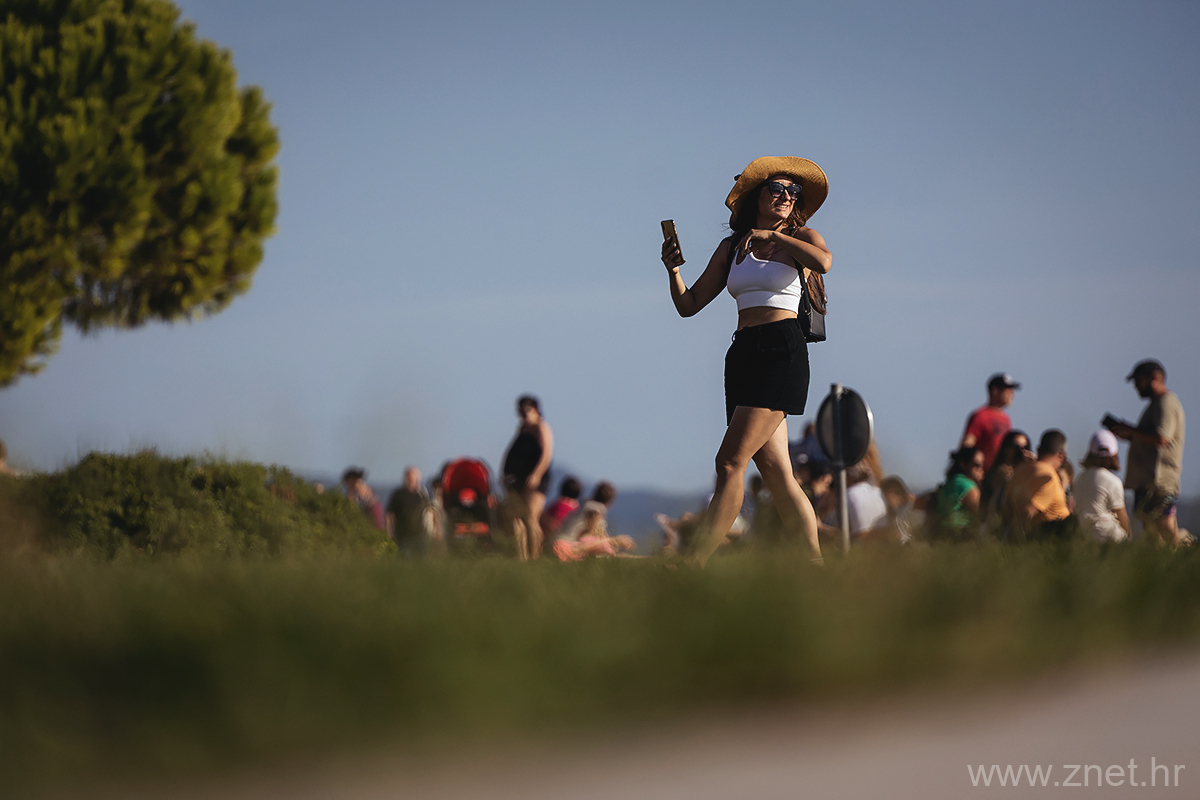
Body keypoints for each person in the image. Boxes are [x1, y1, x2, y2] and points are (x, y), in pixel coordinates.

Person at [660, 156, 831, 567]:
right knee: (776, 472)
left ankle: (693, 562)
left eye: (794, 191)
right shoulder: (732, 247)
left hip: (781, 350)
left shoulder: (802, 237)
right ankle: (815, 566)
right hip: (743, 353)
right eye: (778, 189)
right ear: (757, 196)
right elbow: (689, 304)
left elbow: (823, 262)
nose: (787, 197)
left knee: (730, 462)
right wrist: (673, 270)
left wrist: (775, 237)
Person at [1110, 359, 1187, 547]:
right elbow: (1152, 438)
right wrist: (1131, 434)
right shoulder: (1156, 404)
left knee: (1165, 527)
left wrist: (1132, 430)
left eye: (1139, 380)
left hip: (1159, 481)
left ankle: (1183, 556)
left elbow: (1162, 437)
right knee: (1152, 532)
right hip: (1148, 482)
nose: (1136, 386)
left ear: (1153, 378)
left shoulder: (1166, 402)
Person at [501, 394, 554, 560]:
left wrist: (536, 474)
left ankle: (535, 556)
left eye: (528, 411)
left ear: (536, 410)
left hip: (536, 478)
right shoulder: (522, 429)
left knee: (531, 517)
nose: (524, 415)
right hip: (518, 477)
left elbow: (546, 454)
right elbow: (511, 450)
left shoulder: (542, 428)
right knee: (516, 518)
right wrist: (504, 472)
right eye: (521, 411)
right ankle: (521, 556)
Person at [1005, 429, 1072, 541]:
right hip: (1048, 540)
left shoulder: (1019, 472)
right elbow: (1027, 513)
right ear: (1061, 455)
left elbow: (1008, 508)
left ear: (1038, 450)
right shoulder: (1048, 478)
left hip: (1025, 539)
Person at [1074, 430, 1131, 543]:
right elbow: (1122, 516)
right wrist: (1130, 538)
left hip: (1087, 537)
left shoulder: (1079, 478)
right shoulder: (1113, 481)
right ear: (1114, 454)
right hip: (1112, 538)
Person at [961, 373, 1020, 471]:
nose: (1012, 394)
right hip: (984, 473)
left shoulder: (1006, 418)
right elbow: (967, 446)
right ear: (995, 391)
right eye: (1008, 390)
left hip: (999, 474)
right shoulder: (981, 416)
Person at [931, 446, 984, 540]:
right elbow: (979, 513)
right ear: (962, 464)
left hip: (940, 531)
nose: (980, 469)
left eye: (982, 465)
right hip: (961, 533)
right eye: (976, 465)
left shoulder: (950, 481)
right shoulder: (968, 485)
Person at [386, 466, 427, 556]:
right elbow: (390, 515)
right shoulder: (398, 495)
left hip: (420, 537)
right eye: (408, 478)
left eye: (413, 478)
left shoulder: (422, 496)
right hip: (403, 537)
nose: (410, 480)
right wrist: (389, 535)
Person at [539, 475, 582, 542]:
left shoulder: (558, 503)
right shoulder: (577, 508)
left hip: (551, 537)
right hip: (568, 540)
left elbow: (544, 517)